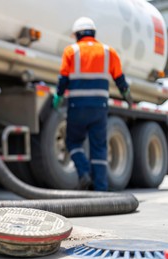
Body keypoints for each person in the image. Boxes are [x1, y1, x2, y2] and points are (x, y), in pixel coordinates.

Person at [52, 17, 132, 191]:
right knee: (99, 147)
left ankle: (84, 172)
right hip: (99, 108)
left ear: (78, 34)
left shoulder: (71, 51)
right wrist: (126, 94)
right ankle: (101, 188)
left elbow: (63, 79)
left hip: (77, 107)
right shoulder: (108, 51)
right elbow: (119, 78)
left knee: (73, 142)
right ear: (93, 33)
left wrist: (58, 96)